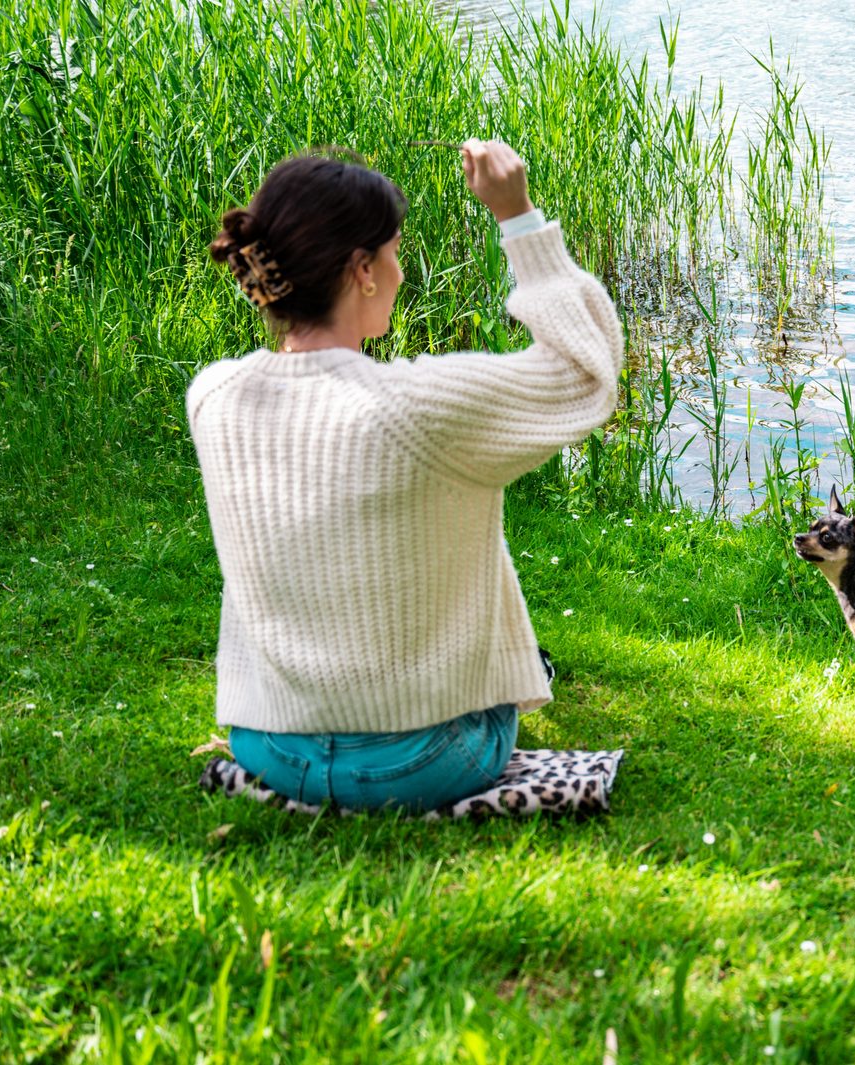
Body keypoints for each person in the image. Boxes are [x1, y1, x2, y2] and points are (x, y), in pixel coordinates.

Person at [188, 140, 622, 811]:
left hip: (271, 748)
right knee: (460, 485)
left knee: (441, 496)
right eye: (393, 250)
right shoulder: (415, 408)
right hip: (423, 762)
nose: (400, 268)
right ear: (362, 269)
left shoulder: (213, 397)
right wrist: (520, 219)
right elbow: (587, 375)